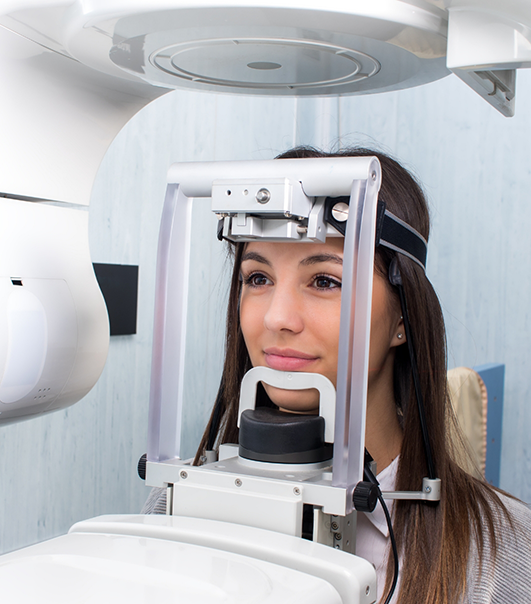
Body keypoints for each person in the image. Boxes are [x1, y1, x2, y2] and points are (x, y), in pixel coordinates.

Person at [143, 146, 531, 603]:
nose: (277, 319)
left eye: (326, 281)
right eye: (258, 278)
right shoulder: (174, 504)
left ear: (403, 319)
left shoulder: (502, 553)